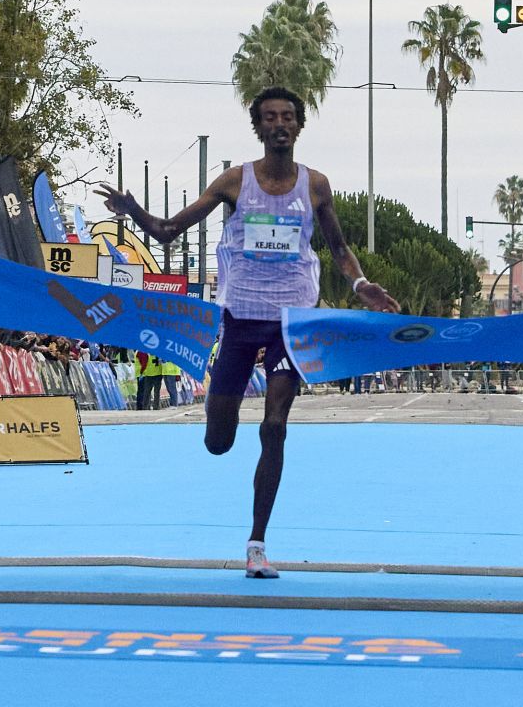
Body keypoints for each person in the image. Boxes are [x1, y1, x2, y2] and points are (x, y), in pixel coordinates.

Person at [98, 85, 399, 580]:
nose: (279, 124)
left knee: (275, 425)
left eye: (287, 117)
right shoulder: (235, 183)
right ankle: (222, 422)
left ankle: (257, 543)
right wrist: (134, 213)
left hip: (292, 319)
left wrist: (361, 283)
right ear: (259, 128)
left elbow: (339, 248)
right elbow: (170, 231)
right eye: (270, 118)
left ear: (299, 127)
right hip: (240, 316)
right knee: (219, 440)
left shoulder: (317, 185)